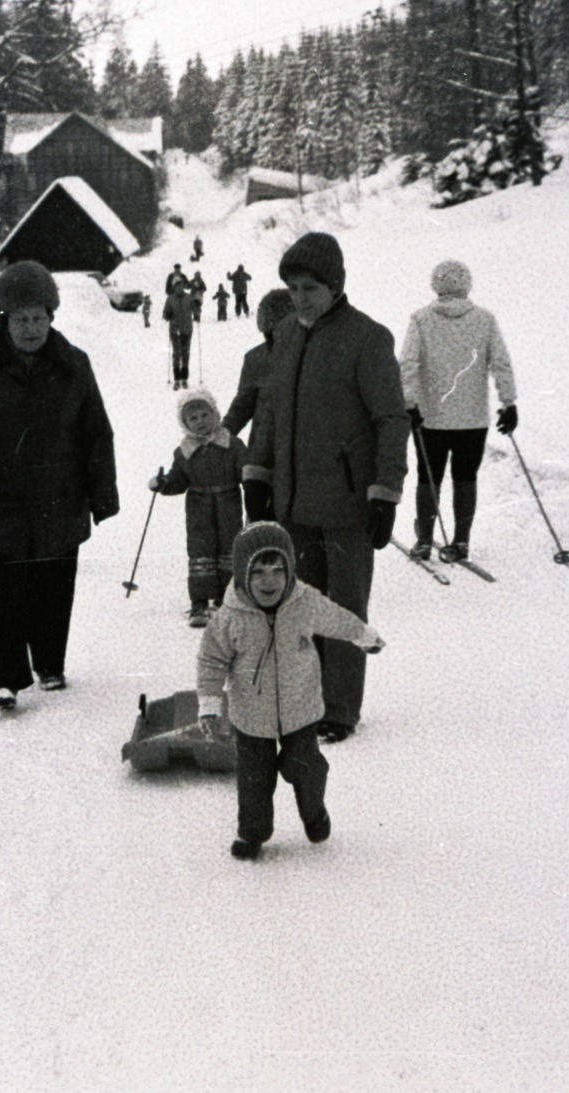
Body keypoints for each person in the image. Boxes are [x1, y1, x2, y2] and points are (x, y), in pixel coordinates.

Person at [0, 261, 119, 710]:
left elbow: (96, 432)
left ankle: (50, 663)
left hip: (59, 493)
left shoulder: (73, 364)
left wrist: (102, 493)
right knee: (4, 588)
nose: (30, 328)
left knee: (54, 581)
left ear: (51, 317)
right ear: (4, 320)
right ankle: (6, 678)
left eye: (38, 318)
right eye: (20, 319)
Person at [242, 231, 408, 744]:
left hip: (348, 502)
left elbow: (390, 419)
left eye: (309, 287)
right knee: (296, 605)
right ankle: (304, 702)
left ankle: (339, 709)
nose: (299, 298)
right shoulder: (287, 334)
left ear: (335, 286)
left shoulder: (368, 338)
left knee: (342, 608)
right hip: (293, 501)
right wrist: (258, 474)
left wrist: (385, 491)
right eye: (291, 288)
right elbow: (269, 410)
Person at [197, 521, 385, 861]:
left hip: (300, 710)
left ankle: (314, 812)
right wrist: (209, 705)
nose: (270, 581)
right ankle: (252, 833)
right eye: (258, 572)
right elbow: (211, 661)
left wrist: (363, 635)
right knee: (254, 780)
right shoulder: (230, 618)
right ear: (241, 575)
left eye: (278, 569)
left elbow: (336, 618)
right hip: (252, 718)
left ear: (290, 570)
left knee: (306, 767)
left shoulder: (304, 603)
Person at [399, 259, 518, 563]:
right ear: (467, 284)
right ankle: (461, 541)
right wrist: (508, 403)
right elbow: (500, 363)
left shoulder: (420, 320)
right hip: (472, 419)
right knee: (466, 478)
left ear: (435, 284)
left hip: (430, 418)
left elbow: (408, 365)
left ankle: (424, 540)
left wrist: (409, 403)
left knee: (429, 477)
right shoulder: (485, 320)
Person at [149, 388, 246, 627]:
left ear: (216, 414)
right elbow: (178, 481)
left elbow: (245, 470)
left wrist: (254, 479)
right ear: (184, 423)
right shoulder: (184, 452)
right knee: (201, 551)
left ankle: (227, 600)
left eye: (205, 415)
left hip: (228, 503)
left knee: (229, 547)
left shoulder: (232, 445)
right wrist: (163, 484)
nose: (200, 422)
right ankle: (199, 603)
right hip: (199, 507)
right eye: (193, 419)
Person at [221, 288, 294, 451]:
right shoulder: (255, 359)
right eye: (271, 333)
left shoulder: (313, 355)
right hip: (264, 452)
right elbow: (242, 405)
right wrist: (221, 436)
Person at [162, 282, 194, 389]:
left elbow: (196, 310)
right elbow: (165, 313)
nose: (180, 288)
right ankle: (177, 379)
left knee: (186, 353)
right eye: (178, 287)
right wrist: (167, 315)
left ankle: (184, 379)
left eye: (182, 286)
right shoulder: (170, 299)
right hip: (175, 330)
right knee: (177, 353)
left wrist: (198, 307)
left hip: (187, 329)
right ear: (174, 288)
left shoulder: (189, 297)